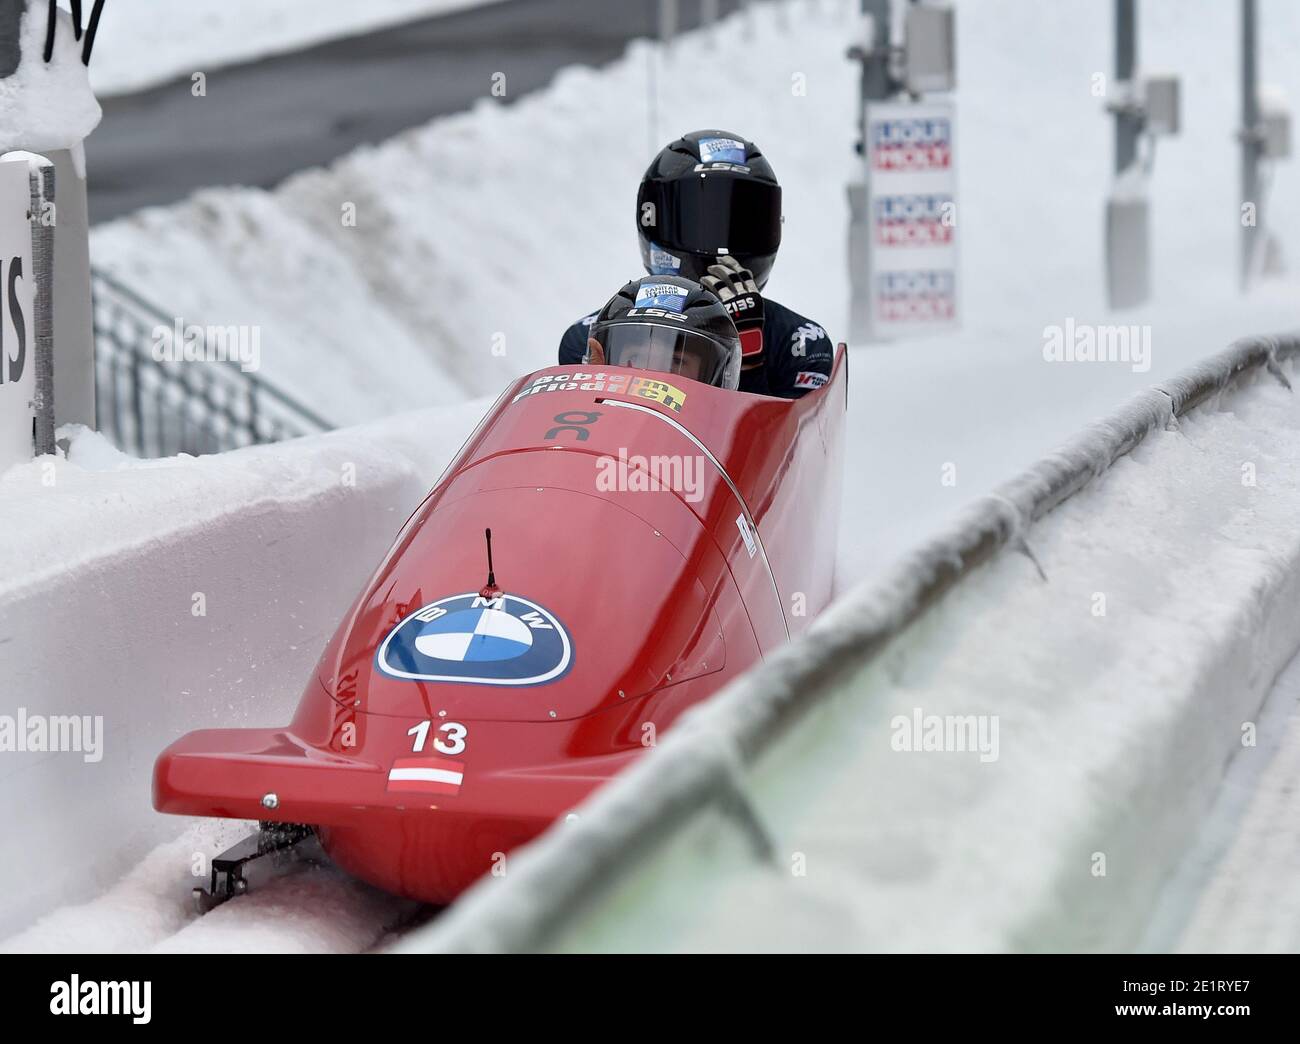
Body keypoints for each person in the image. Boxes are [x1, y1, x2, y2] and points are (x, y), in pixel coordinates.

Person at [559, 129, 833, 398]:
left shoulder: (800, 344)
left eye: (741, 224)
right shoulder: (591, 337)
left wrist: (747, 360)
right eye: (700, 221)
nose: (721, 249)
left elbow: (787, 440)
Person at [584, 276, 742, 390]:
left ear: (718, 375)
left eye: (675, 361)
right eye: (636, 358)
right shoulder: (577, 425)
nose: (650, 378)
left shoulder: (723, 434)